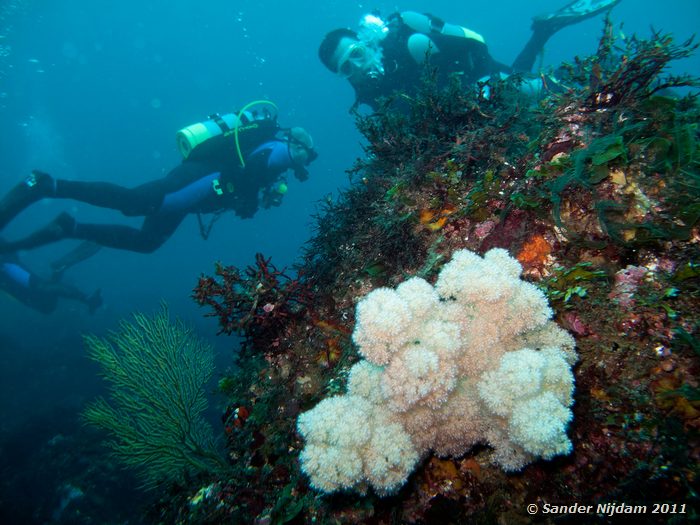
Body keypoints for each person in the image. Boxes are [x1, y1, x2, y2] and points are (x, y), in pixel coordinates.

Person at [0, 102, 317, 255]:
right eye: (305, 152)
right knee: (134, 202)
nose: (304, 159)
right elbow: (252, 169)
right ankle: (49, 184)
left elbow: (253, 170)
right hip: (200, 180)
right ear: (297, 144)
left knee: (147, 242)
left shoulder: (274, 149)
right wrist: (250, 197)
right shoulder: (280, 148)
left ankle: (70, 227)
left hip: (195, 191)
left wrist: (254, 195)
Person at [318, 0, 622, 110]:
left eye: (357, 53)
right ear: (342, 74)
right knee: (517, 81)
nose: (358, 65)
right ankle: (542, 32)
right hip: (459, 115)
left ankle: (599, 94)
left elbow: (475, 43)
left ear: (365, 42)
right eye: (347, 67)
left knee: (529, 90)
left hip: (479, 76)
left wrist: (481, 86)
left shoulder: (408, 42)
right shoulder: (367, 92)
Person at [0, 247, 102, 314]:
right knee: (46, 304)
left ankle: (86, 298)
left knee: (42, 289)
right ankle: (59, 270)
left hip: (7, 269)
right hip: (10, 274)